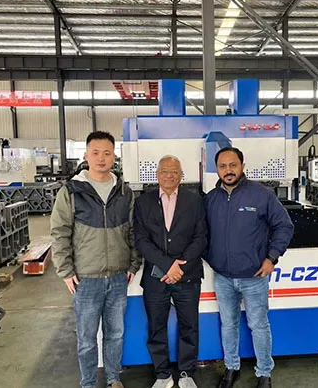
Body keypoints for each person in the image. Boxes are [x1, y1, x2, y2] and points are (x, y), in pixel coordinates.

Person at [51, 131, 141, 388]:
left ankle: (113, 378)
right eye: (96, 153)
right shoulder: (71, 191)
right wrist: (66, 271)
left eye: (107, 153)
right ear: (86, 156)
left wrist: (133, 263)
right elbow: (59, 232)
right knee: (87, 338)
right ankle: (88, 382)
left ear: (114, 157)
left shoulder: (124, 192)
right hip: (86, 278)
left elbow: (133, 231)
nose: (101, 158)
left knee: (116, 334)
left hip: (118, 277)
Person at [204, 147, 294, 388]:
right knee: (228, 325)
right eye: (223, 166)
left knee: (258, 325)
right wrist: (210, 257)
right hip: (223, 277)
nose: (228, 170)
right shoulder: (210, 199)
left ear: (242, 166)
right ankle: (231, 368)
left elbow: (284, 226)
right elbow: (202, 233)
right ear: (217, 169)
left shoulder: (261, 195)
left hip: (254, 276)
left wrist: (271, 258)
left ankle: (264, 373)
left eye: (233, 165)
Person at [134, 155, 208, 388]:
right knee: (156, 327)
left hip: (188, 276)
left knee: (189, 326)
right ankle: (162, 374)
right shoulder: (143, 202)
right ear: (157, 174)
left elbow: (201, 237)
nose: (169, 176)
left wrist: (180, 266)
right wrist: (168, 265)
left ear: (181, 175)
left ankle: (186, 373)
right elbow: (141, 240)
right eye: (165, 171)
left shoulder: (195, 201)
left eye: (175, 171)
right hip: (156, 278)